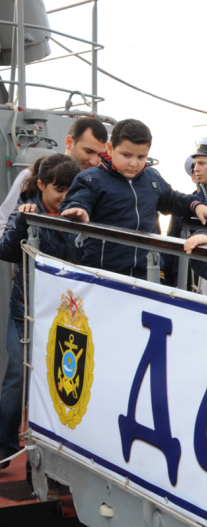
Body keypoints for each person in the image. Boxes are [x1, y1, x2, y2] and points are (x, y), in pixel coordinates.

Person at [59, 119, 207, 278]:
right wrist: (78, 208)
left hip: (146, 269)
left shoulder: (151, 178)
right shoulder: (91, 179)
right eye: (126, 155)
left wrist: (195, 206)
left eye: (141, 157)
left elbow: (172, 199)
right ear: (110, 149)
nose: (134, 163)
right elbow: (79, 198)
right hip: (105, 270)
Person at [0, 154, 81, 469]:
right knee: (17, 376)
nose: (64, 196)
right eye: (58, 189)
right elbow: (6, 251)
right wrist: (23, 219)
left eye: (69, 189)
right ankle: (5, 448)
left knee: (62, 378)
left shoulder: (78, 209)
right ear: (42, 184)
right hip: (27, 308)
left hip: (65, 311)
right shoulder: (27, 206)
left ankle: (57, 449)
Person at [0, 117, 108, 237]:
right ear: (69, 142)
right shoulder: (31, 175)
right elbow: (4, 221)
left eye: (100, 155)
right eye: (88, 151)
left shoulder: (97, 184)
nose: (94, 161)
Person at [162, 156, 200, 287]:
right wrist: (168, 282)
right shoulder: (181, 207)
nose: (200, 172)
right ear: (193, 177)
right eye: (196, 170)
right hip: (183, 281)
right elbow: (170, 247)